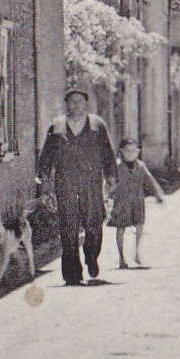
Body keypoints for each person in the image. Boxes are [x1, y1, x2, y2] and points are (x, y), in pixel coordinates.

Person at [37, 88, 117, 286]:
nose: (76, 104)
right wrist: (44, 179)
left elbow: (107, 152)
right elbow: (46, 155)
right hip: (66, 182)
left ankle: (91, 257)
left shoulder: (97, 125)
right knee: (68, 226)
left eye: (80, 101)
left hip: (91, 182)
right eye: (72, 101)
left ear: (85, 104)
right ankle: (72, 272)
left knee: (94, 223)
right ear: (67, 104)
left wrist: (111, 175)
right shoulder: (57, 126)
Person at [109, 138, 165, 269]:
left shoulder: (140, 166)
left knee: (139, 225)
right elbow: (109, 184)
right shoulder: (117, 167)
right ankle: (121, 257)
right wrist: (106, 198)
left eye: (134, 151)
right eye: (128, 151)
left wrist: (158, 195)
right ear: (122, 151)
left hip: (137, 202)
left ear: (138, 152)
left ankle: (137, 253)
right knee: (121, 228)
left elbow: (150, 180)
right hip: (121, 202)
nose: (131, 153)